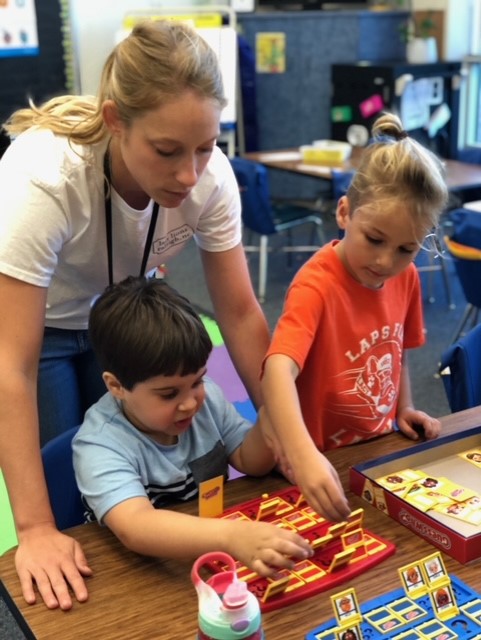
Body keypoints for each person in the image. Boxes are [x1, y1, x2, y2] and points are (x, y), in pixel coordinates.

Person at [0, 20, 270, 609]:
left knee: (145, 444)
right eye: (167, 151)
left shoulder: (209, 177)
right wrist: (37, 531)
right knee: (67, 476)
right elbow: (11, 367)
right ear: (116, 120)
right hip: (37, 327)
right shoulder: (42, 177)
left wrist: (284, 431)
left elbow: (243, 315)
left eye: (205, 147)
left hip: (122, 311)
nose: (188, 175)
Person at [261, 113, 448, 521]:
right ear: (344, 213)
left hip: (373, 450)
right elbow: (276, 370)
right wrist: (302, 454)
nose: (386, 261)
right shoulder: (316, 283)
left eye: (406, 249)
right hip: (314, 463)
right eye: (375, 240)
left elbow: (395, 350)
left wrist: (405, 407)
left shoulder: (407, 278)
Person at [72, 276, 313, 576]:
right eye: (169, 393)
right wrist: (231, 536)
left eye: (196, 380)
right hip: (141, 573)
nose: (189, 403)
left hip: (213, 554)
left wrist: (272, 416)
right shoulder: (99, 444)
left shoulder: (207, 397)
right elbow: (136, 527)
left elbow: (250, 462)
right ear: (116, 386)